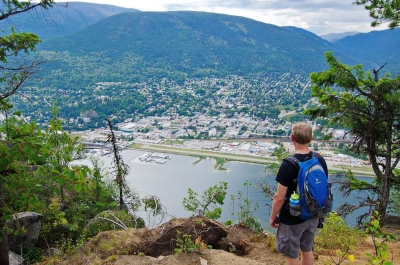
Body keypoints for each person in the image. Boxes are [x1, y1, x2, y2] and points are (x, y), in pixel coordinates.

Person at [269, 122, 328, 265]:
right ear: (311, 138)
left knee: (292, 253)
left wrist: (272, 217)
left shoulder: (289, 164)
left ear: (292, 138)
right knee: (307, 249)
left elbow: (279, 197)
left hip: (293, 216)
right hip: (314, 213)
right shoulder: (318, 159)